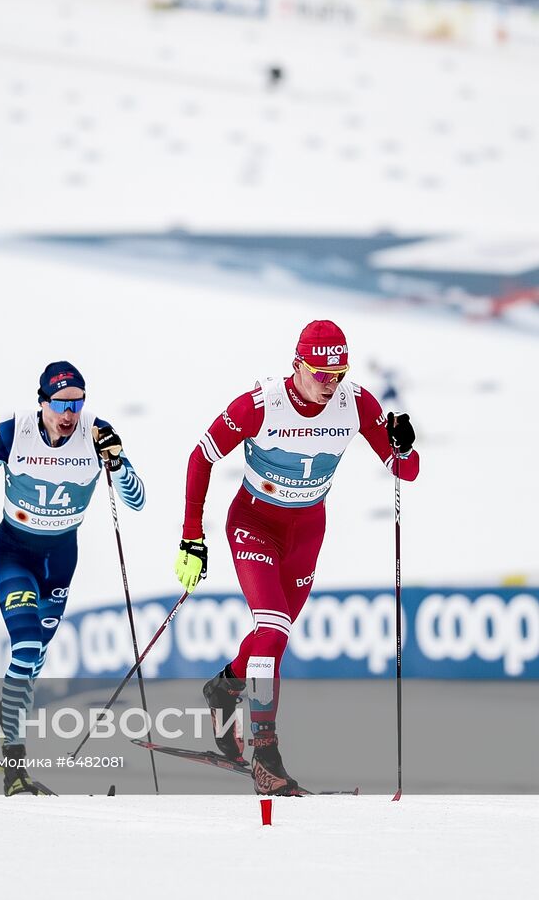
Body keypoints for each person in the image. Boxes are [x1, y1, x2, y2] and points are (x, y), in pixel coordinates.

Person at [175, 320, 420, 795]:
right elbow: (200, 458)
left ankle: (225, 685)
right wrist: (191, 537)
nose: (331, 383)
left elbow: (404, 472)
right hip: (253, 524)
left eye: (339, 372)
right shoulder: (260, 405)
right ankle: (266, 756)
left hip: (307, 531)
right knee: (272, 631)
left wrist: (404, 444)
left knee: (274, 639)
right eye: (321, 372)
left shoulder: (356, 403)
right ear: (297, 365)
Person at [0, 361, 145, 795]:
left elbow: (137, 500)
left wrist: (117, 462)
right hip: (14, 553)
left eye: (76, 403)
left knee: (34, 664)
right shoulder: (11, 432)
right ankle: (13, 764)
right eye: (60, 403)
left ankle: (8, 718)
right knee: (27, 646)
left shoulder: (97, 433)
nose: (69, 413)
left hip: (60, 559)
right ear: (42, 403)